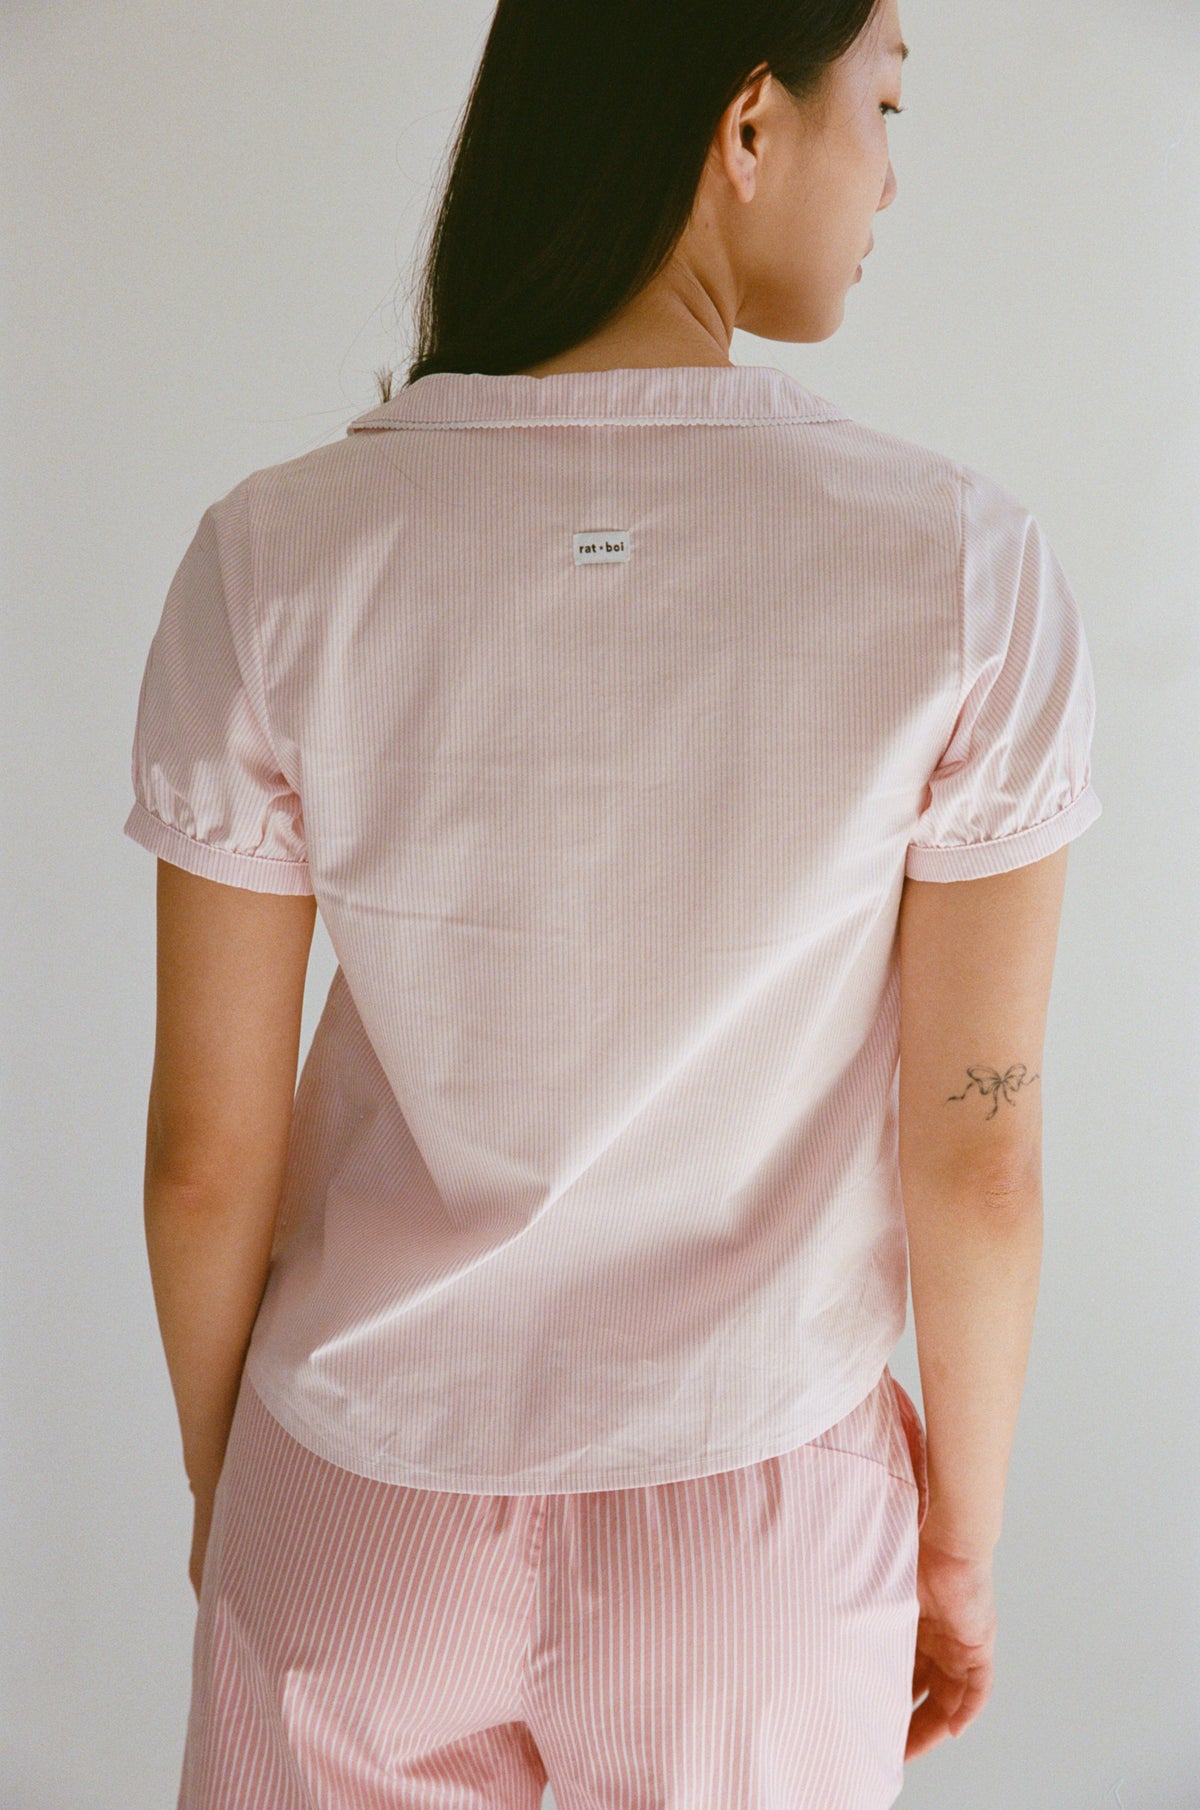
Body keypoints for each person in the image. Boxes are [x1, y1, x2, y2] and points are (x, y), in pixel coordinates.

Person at [123, 0, 1102, 1803]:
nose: (892, 178)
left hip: (359, 1494)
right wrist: (957, 1546)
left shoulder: (277, 553)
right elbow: (978, 1156)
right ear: (750, 125)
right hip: (755, 1515)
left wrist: (226, 1486)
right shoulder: (962, 570)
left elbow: (203, 1153)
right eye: (885, 104)